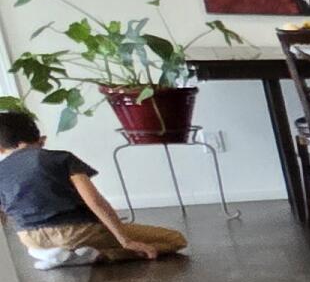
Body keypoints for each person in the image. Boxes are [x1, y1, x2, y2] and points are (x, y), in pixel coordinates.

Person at [0, 111, 187, 265]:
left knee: (92, 241)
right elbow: (95, 201)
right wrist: (125, 240)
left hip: (29, 238)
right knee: (174, 239)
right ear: (41, 139)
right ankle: (92, 255)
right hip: (77, 232)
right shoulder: (61, 158)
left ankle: (52, 254)